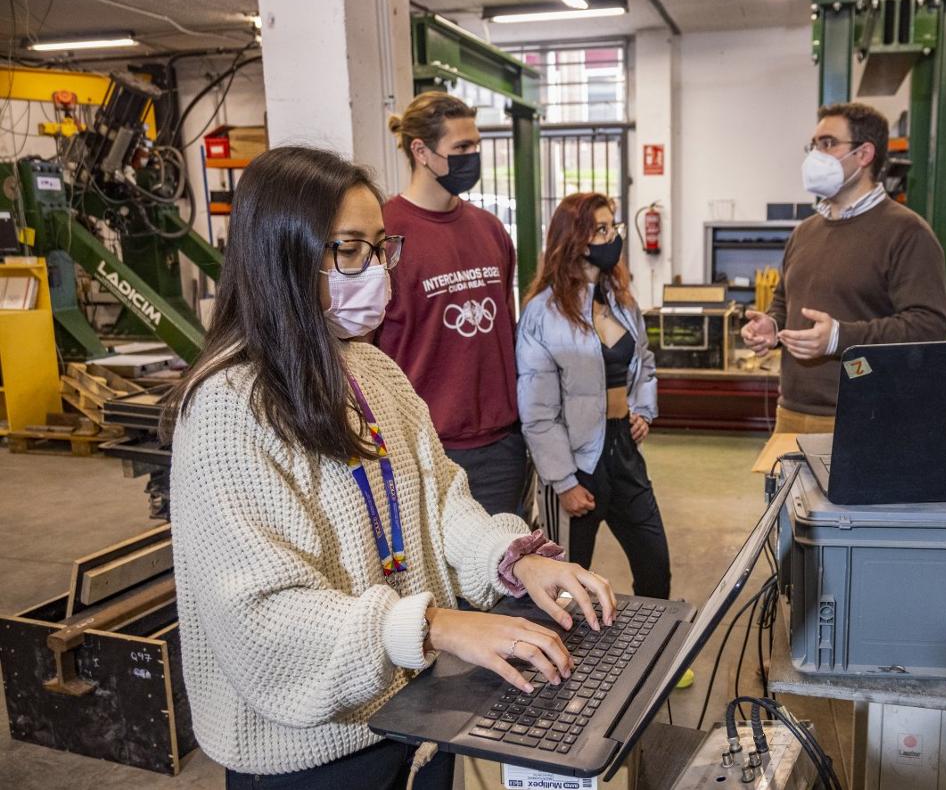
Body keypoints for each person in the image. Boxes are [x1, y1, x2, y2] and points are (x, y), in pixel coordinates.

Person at [162, 146, 616, 790]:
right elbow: (260, 620)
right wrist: (435, 625)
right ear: (282, 255)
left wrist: (514, 559)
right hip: (313, 753)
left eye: (381, 248)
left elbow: (441, 505)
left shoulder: (373, 371)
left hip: (417, 719)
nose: (376, 271)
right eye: (350, 250)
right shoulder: (228, 410)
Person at [740, 102, 946, 432]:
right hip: (791, 411)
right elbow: (784, 301)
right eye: (814, 146)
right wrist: (772, 326)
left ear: (864, 154)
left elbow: (928, 326)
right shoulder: (805, 231)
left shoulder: (907, 233)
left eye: (827, 144)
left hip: (864, 418)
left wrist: (842, 337)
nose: (815, 157)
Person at [377, 92, 529, 518]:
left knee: (503, 576)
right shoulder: (385, 234)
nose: (472, 157)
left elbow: (505, 328)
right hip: (424, 452)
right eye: (461, 148)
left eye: (475, 146)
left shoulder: (491, 229)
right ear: (421, 151)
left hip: (500, 447)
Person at [517, 192, 671, 600]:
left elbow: (645, 363)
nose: (613, 238)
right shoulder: (543, 313)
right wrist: (564, 481)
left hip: (623, 450)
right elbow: (537, 413)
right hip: (575, 460)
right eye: (601, 229)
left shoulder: (620, 302)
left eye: (613, 227)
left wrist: (643, 409)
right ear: (575, 239)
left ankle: (654, 658)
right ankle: (569, 661)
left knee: (655, 567)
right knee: (565, 583)